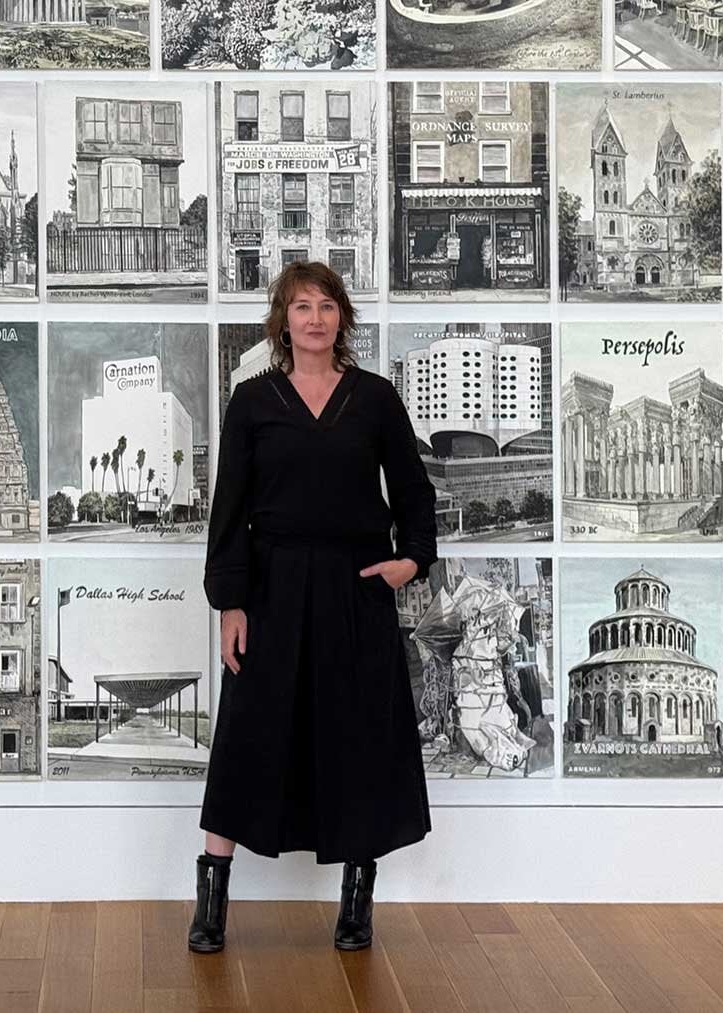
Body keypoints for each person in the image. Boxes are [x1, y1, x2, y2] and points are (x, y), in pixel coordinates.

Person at [188, 260, 438, 954]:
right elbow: (228, 512)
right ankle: (211, 900)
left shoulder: (378, 399)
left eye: (327, 306)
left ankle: (356, 903)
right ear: (283, 321)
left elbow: (415, 493)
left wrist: (410, 560)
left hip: (356, 586)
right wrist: (229, 604)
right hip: (270, 589)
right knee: (245, 738)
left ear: (343, 319)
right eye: (302, 306)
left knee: (358, 736)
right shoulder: (253, 402)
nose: (316, 318)